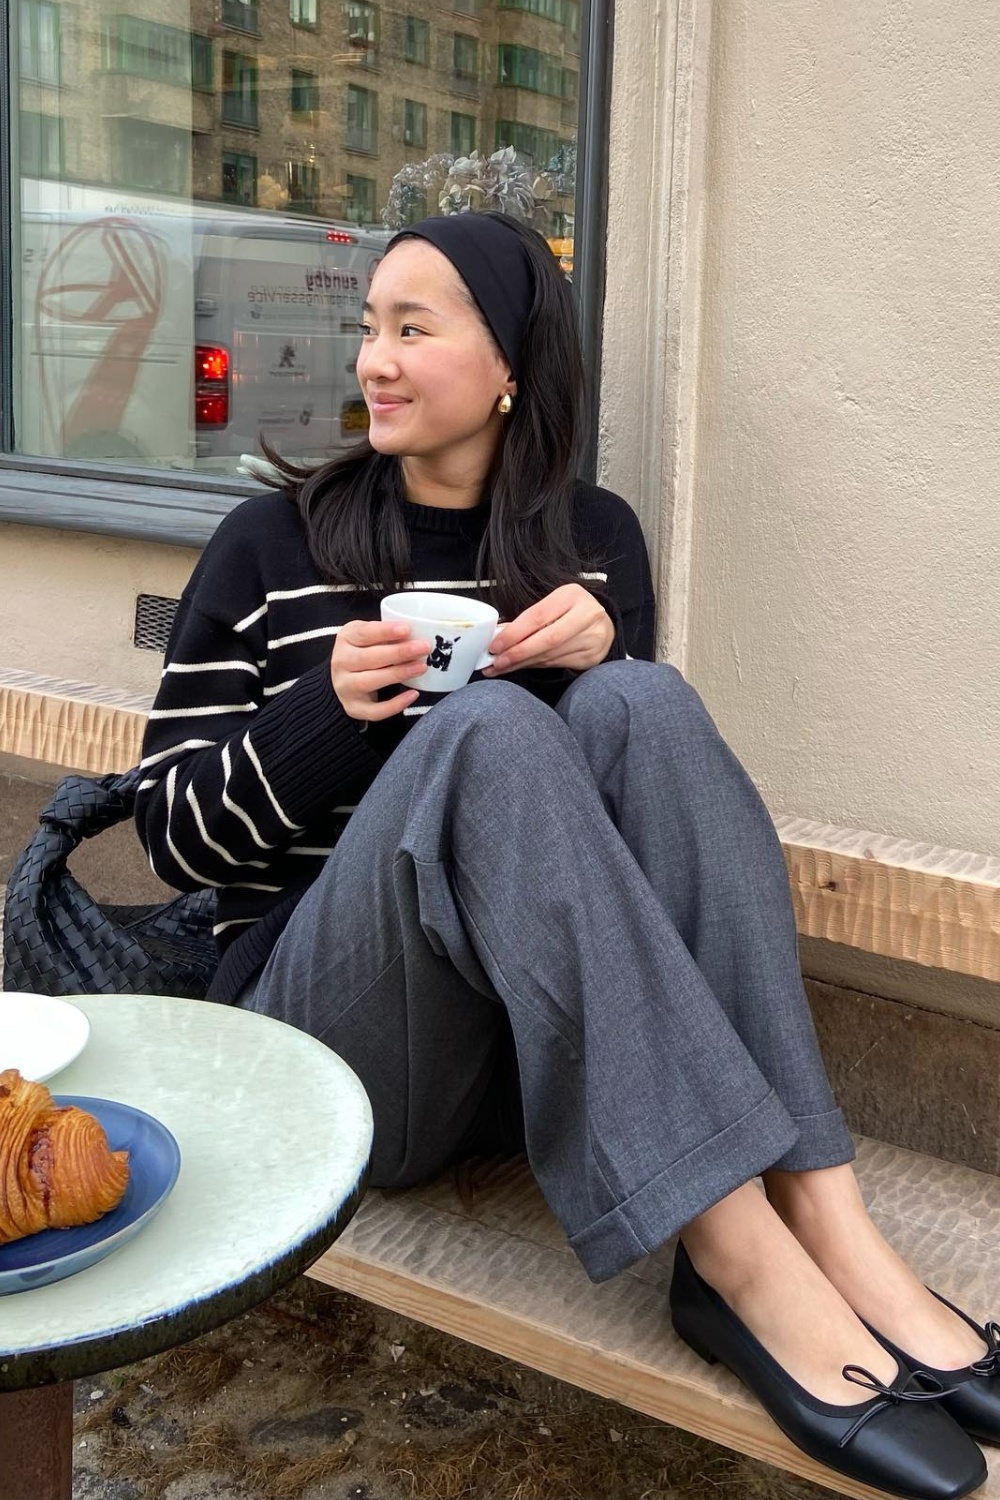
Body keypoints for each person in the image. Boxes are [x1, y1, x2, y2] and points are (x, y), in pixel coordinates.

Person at [136, 211, 999, 1499]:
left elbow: (629, 821)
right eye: (368, 327)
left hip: (532, 1061)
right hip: (333, 1048)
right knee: (484, 731)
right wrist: (326, 713)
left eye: (412, 329)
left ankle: (823, 1203)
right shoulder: (273, 548)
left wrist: (613, 653)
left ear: (511, 371)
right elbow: (169, 836)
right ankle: (737, 1257)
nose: (373, 359)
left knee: (643, 705)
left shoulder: (594, 542)